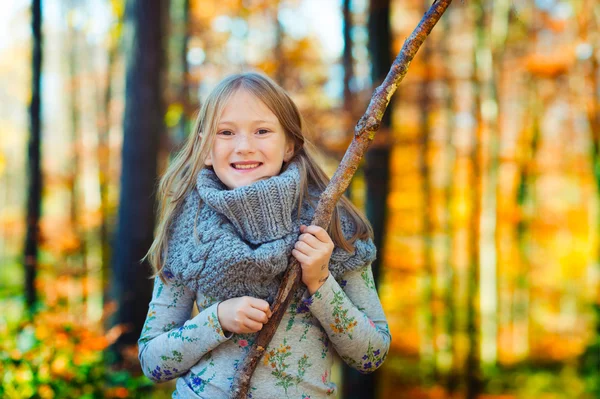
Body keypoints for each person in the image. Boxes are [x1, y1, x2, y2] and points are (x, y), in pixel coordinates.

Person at [138, 71, 391, 398]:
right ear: (204, 148)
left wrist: (320, 280)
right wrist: (217, 320)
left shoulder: (332, 226)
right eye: (226, 132)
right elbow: (152, 361)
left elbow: (372, 354)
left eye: (262, 131)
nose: (244, 146)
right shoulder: (189, 232)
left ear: (289, 144)